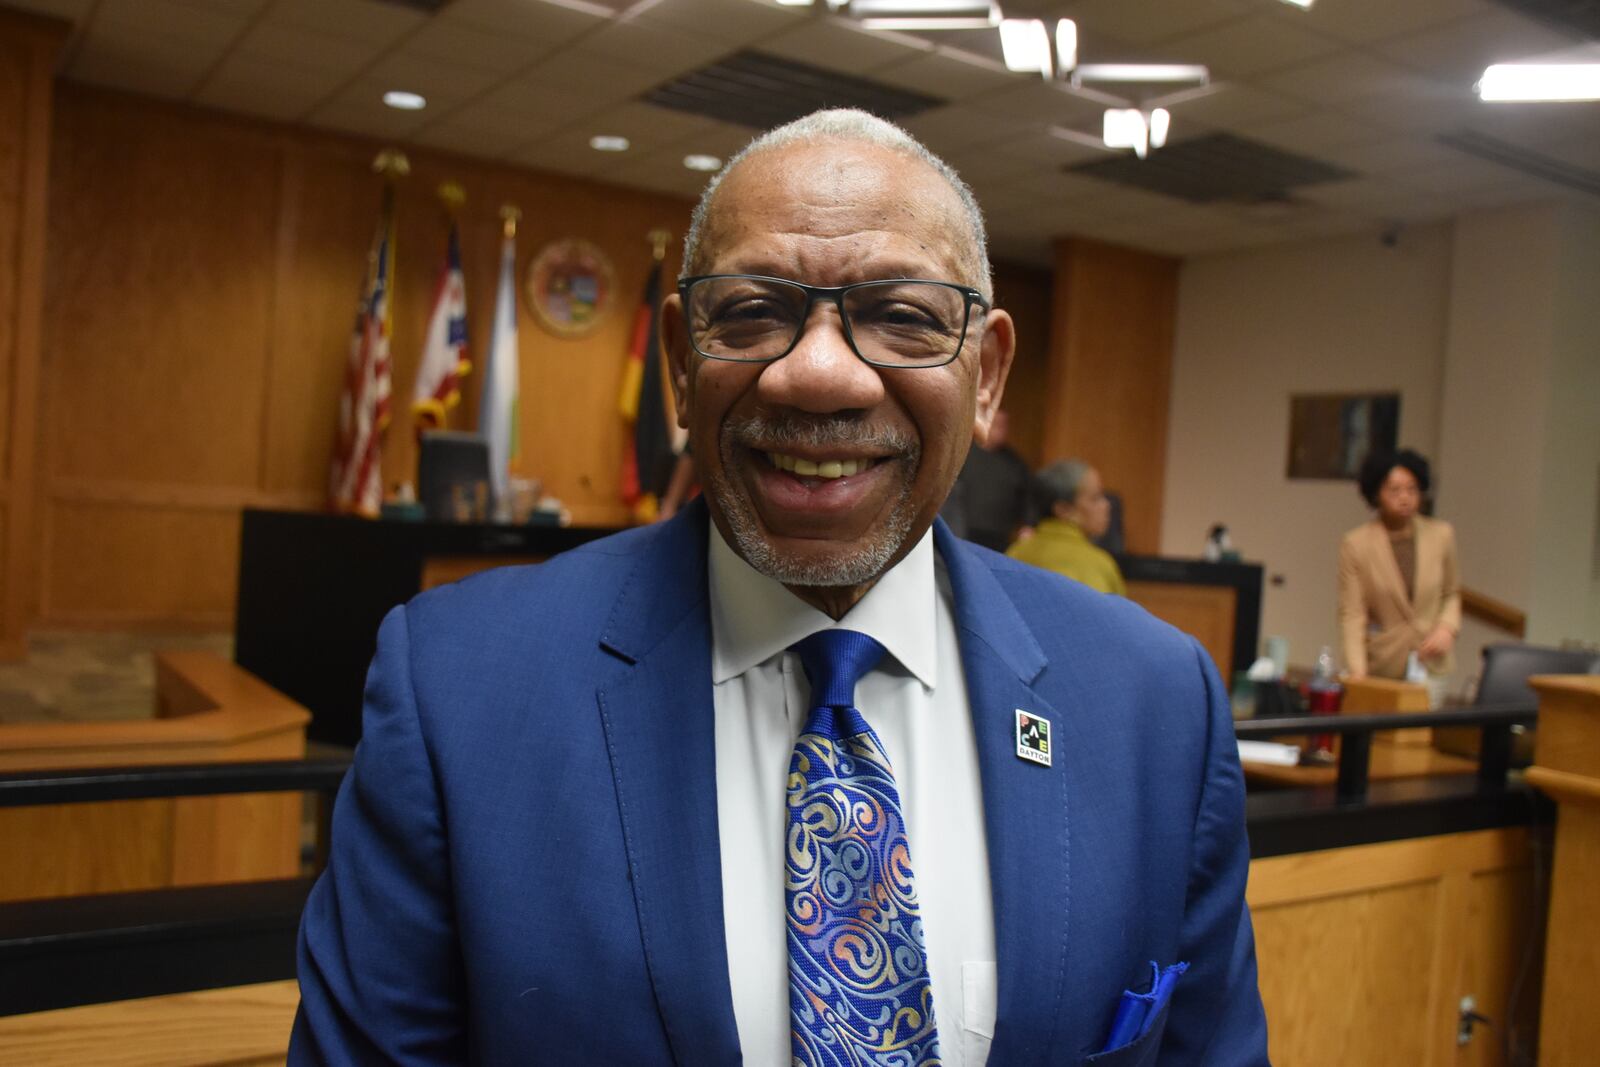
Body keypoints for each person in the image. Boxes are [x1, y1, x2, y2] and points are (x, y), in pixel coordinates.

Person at [291, 109, 1267, 1065]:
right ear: (679, 360)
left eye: (901, 316)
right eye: (753, 311)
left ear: (989, 372)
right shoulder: (459, 690)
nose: (819, 374)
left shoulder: (1152, 702)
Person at [1339, 449, 1461, 702]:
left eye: (1412, 489)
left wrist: (1447, 628)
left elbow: (1452, 592)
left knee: (1421, 736)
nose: (1404, 498)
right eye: (1394, 490)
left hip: (1429, 662)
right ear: (1376, 494)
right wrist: (1357, 671)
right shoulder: (1357, 544)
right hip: (1383, 664)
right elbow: (1352, 614)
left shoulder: (1441, 535)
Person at [1006, 459, 1126, 596]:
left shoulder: (1015, 552)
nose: (1106, 505)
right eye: (1095, 498)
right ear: (1063, 509)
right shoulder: (1097, 565)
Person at [939, 409, 1036, 551]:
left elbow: (1028, 496)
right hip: (962, 530)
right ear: (985, 423)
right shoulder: (963, 453)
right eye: (997, 425)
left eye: (1004, 426)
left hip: (1000, 535)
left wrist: (1029, 524)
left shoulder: (1015, 462)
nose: (1001, 430)